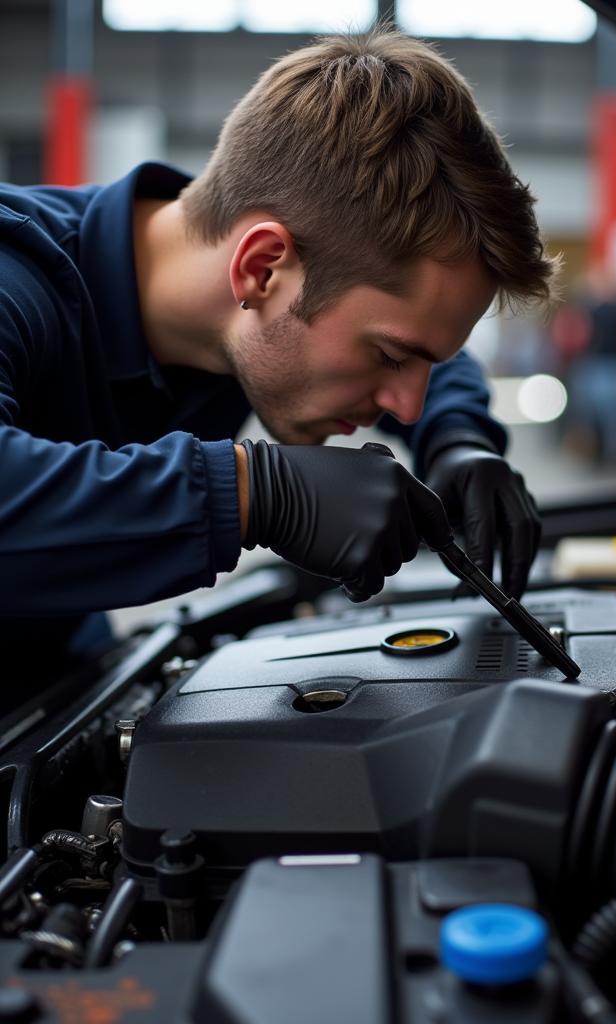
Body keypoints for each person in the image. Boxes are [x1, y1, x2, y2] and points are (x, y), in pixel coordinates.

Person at [0, 29, 557, 679]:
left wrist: (459, 438)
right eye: (389, 356)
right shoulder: (16, 278)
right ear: (262, 268)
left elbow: (426, 349)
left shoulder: (251, 319)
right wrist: (255, 493)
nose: (407, 401)